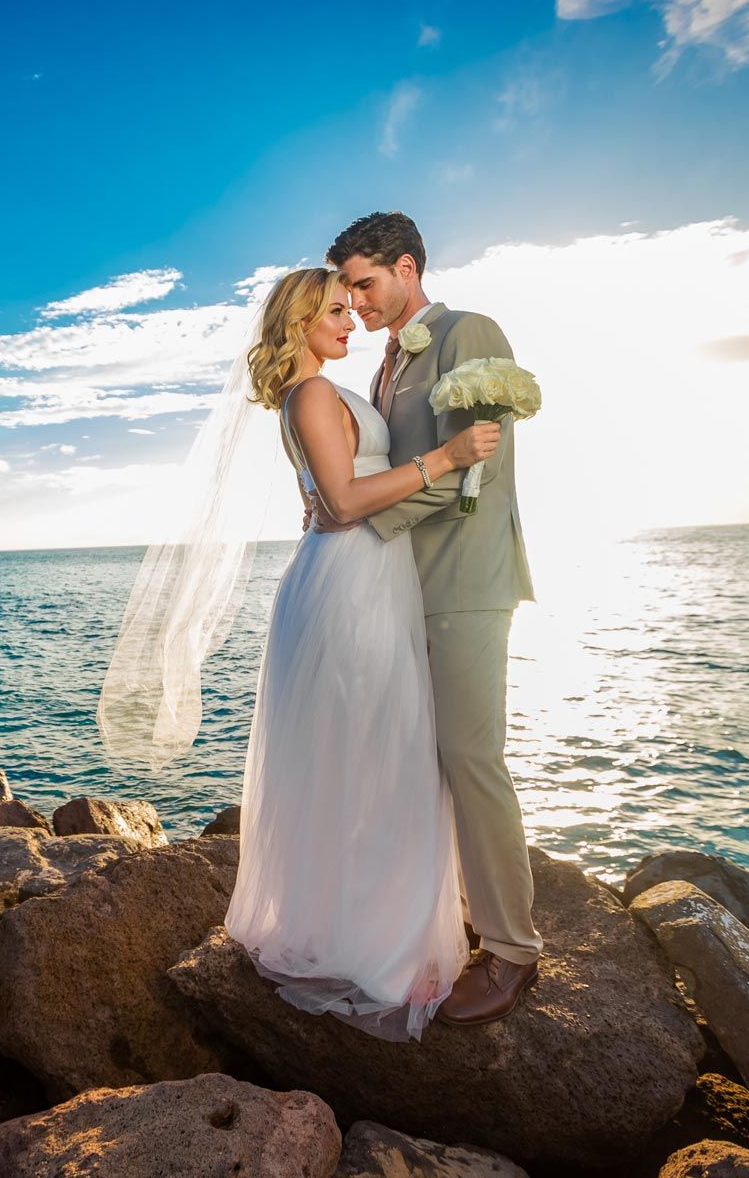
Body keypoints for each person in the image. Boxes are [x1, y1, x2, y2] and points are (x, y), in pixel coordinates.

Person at [221, 266, 501, 1039]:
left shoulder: (321, 391)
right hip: (350, 583)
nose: (350, 322)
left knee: (369, 754)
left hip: (369, 579)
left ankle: (366, 928)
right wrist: (443, 461)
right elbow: (343, 504)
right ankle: (378, 951)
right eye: (335, 312)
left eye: (351, 308)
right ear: (299, 322)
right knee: (377, 756)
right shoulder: (311, 394)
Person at [315, 211, 542, 1024]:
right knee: (415, 757)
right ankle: (439, 917)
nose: (358, 302)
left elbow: (471, 474)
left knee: (471, 755)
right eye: (347, 290)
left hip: (465, 580)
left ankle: (513, 950)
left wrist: (360, 524)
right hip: (402, 585)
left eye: (366, 284)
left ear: (407, 269)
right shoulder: (382, 364)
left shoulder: (467, 330)